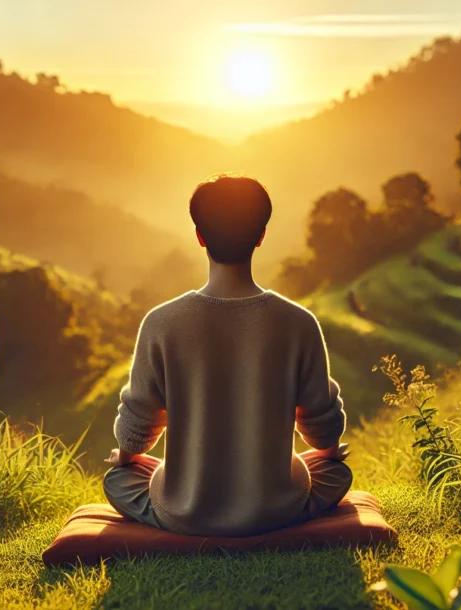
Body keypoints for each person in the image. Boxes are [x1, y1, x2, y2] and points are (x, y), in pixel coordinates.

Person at [103, 173, 351, 537]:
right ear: (261, 236)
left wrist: (125, 460)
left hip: (185, 509)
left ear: (200, 237)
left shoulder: (160, 322)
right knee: (336, 472)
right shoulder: (299, 322)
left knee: (118, 480)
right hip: (276, 508)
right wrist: (328, 453)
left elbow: (138, 426)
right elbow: (321, 426)